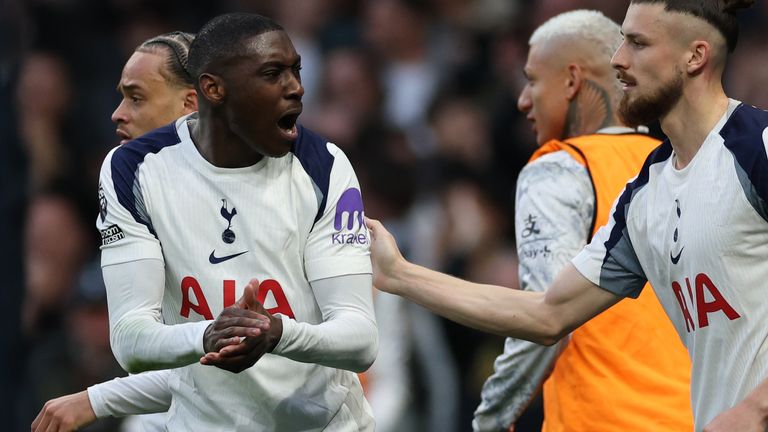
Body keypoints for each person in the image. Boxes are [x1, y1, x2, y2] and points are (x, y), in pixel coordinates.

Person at [366, 1, 767, 431]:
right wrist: (400, 276)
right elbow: (547, 314)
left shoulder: (757, 146)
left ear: (695, 56)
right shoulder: (645, 194)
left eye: (638, 43)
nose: (618, 59)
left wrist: (755, 408)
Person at [39, 13, 379, 432]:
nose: (296, 88)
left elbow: (361, 338)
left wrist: (275, 332)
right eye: (274, 73)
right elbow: (138, 342)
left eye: (295, 71)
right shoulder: (132, 172)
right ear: (212, 90)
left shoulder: (323, 167)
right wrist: (206, 338)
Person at [472, 9, 693, 432]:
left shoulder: (558, 166)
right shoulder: (678, 166)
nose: (522, 100)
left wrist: (491, 419)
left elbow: (544, 319)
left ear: (572, 81)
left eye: (532, 80)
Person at [32, 31, 199, 432]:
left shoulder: (266, 194)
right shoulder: (128, 183)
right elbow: (136, 348)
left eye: (136, 97)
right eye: (121, 96)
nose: (117, 113)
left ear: (189, 104)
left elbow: (236, 365)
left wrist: (94, 399)